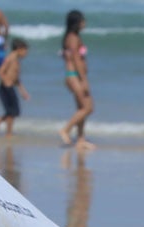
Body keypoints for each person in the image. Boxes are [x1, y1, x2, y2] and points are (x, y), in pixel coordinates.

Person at [59, 9, 94, 149]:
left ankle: (80, 139)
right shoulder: (73, 38)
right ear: (77, 23)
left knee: (81, 107)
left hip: (74, 76)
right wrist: (84, 79)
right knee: (88, 107)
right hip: (75, 76)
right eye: (83, 20)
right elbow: (76, 59)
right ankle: (65, 130)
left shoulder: (71, 37)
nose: (85, 23)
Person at [0, 37, 29, 133]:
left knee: (15, 111)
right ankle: (8, 132)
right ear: (19, 49)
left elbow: (16, 79)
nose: (26, 54)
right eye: (25, 51)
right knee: (11, 112)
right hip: (5, 87)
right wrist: (6, 82)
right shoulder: (10, 58)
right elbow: (1, 71)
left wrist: (23, 91)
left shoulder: (17, 60)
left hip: (10, 87)